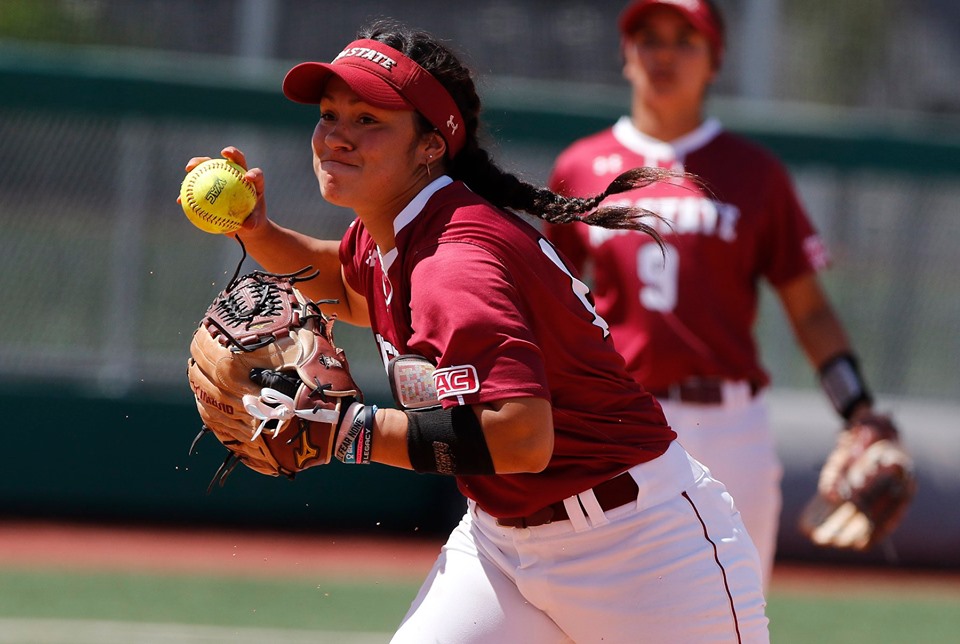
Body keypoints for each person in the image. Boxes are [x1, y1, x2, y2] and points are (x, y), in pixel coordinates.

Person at [184, 18, 768, 643]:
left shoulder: (454, 261)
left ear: (431, 144)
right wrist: (258, 233)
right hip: (500, 544)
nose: (337, 137)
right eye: (329, 115)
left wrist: (351, 433)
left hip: (640, 554)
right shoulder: (402, 226)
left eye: (368, 120)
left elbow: (521, 438)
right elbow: (351, 285)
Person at [545, 0, 886, 587]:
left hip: (731, 427)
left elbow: (808, 309)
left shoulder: (753, 171)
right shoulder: (580, 167)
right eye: (648, 37)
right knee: (609, 606)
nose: (664, 54)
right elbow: (549, 303)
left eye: (685, 39)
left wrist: (858, 411)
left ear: (715, 60)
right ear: (626, 54)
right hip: (620, 417)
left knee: (737, 611)